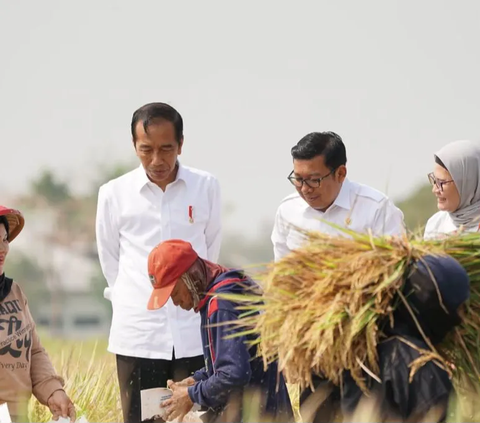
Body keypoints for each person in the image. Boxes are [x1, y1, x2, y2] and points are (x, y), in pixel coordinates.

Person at [95, 102, 222, 423]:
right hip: (139, 336)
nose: (156, 160)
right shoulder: (114, 193)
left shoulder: (205, 187)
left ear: (181, 144)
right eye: (146, 149)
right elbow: (111, 260)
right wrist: (132, 298)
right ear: (134, 146)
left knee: (198, 420)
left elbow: (210, 254)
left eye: (166, 149)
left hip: (196, 335)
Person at [271, 131, 405, 421]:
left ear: (341, 172)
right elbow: (282, 283)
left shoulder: (375, 209)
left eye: (314, 179)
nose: (305, 188)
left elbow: (398, 278)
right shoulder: (288, 212)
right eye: (298, 179)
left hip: (365, 345)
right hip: (312, 346)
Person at [146, 239, 293, 423]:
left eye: (174, 293)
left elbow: (234, 374)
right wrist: (193, 381)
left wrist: (191, 395)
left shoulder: (221, 304)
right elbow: (232, 360)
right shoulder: (229, 290)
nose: (175, 303)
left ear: (190, 276)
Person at [340, 254, 469, 422]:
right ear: (435, 305)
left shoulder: (356, 348)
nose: (461, 319)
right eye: (458, 308)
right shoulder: (424, 369)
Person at [0, 206, 76, 422]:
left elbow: (33, 352)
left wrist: (53, 391)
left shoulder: (14, 292)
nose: (2, 248)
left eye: (5, 239)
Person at [424, 139, 480, 239]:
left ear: (467, 183)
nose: (435, 190)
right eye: (434, 180)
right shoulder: (435, 225)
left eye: (442, 182)